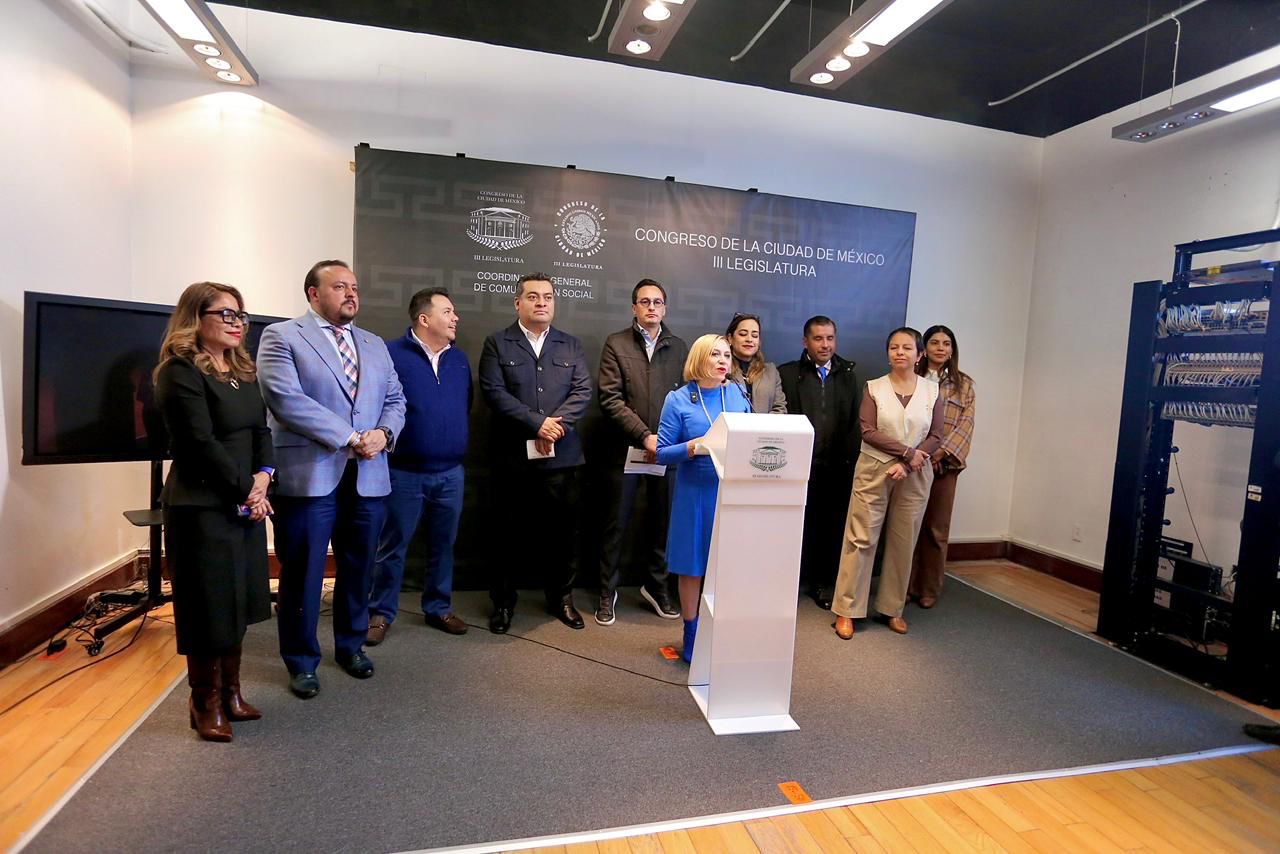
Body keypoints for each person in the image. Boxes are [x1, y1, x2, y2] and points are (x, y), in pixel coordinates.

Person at [257, 260, 406, 699]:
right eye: (339, 286)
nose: (351, 294)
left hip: (368, 475)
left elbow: (396, 398)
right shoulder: (282, 336)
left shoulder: (375, 344)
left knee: (359, 568)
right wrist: (351, 436)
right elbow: (286, 400)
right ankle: (302, 660)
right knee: (304, 572)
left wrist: (384, 433)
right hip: (309, 475)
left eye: (354, 287)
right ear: (313, 293)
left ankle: (350, 646)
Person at [154, 282, 273, 742]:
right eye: (225, 314)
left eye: (240, 315)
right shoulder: (179, 372)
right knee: (208, 607)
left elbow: (261, 431)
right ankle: (204, 701)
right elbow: (199, 444)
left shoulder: (242, 370)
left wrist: (264, 478)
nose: (236, 323)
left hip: (243, 502)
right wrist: (248, 492)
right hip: (201, 507)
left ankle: (231, 694)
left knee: (238, 600)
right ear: (194, 318)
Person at [478, 272, 592, 634]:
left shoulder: (570, 345)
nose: (541, 302)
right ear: (518, 303)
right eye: (533, 296)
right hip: (512, 459)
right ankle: (503, 603)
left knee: (563, 536)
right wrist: (537, 424)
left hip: (563, 459)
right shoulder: (498, 343)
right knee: (506, 536)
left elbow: (582, 391)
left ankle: (561, 599)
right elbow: (494, 392)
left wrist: (554, 427)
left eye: (547, 297)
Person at [366, 288, 472, 645]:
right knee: (392, 546)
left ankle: (438, 607)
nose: (455, 318)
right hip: (404, 472)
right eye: (448, 311)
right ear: (424, 319)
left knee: (444, 545)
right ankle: (381, 612)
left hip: (451, 473)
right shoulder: (390, 354)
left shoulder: (459, 360)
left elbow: (465, 406)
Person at [831, 327, 943, 639]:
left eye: (907, 347)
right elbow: (867, 430)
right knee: (860, 538)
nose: (899, 352)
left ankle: (892, 608)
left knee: (903, 541)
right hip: (874, 469)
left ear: (919, 354)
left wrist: (909, 463)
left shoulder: (932, 391)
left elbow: (936, 435)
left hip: (916, 472)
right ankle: (846, 610)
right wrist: (906, 453)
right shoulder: (874, 387)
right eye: (894, 347)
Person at [595, 279, 688, 625]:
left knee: (663, 523)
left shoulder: (679, 347)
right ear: (634, 307)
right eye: (645, 302)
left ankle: (657, 587)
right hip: (626, 450)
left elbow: (685, 399)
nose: (651, 307)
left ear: (665, 308)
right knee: (615, 525)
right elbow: (610, 398)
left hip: (667, 452)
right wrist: (645, 436)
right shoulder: (616, 343)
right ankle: (607, 592)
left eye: (657, 302)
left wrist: (664, 441)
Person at [656, 334, 751, 662]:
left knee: (729, 567)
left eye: (726, 355)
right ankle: (692, 632)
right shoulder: (678, 399)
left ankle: (724, 632)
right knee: (693, 567)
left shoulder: (737, 393)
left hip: (732, 493)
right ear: (699, 359)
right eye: (715, 354)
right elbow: (662, 453)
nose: (723, 360)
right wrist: (694, 447)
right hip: (695, 495)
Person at [778, 316, 861, 610]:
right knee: (797, 527)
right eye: (818, 338)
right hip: (799, 466)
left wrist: (848, 461)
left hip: (837, 466)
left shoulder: (848, 374)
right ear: (805, 342)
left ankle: (823, 583)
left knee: (831, 527)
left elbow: (854, 423)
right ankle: (790, 581)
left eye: (830, 338)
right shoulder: (788, 374)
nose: (825, 345)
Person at [908, 325, 976, 609]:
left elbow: (966, 425)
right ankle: (905, 586)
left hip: (944, 465)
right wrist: (918, 454)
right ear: (924, 348)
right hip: (912, 462)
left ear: (952, 350)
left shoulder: (964, 384)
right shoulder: (912, 377)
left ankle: (929, 588)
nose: (940, 348)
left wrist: (940, 453)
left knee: (936, 528)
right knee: (908, 525)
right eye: (934, 342)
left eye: (946, 343)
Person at [725, 312, 787, 414]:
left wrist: (759, 424)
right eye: (743, 334)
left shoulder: (770, 371)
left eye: (754, 335)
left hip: (767, 425)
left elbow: (780, 408)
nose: (749, 339)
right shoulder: (722, 369)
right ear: (730, 338)